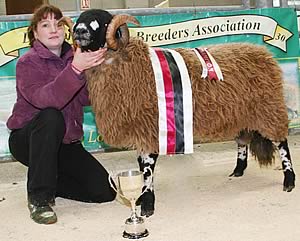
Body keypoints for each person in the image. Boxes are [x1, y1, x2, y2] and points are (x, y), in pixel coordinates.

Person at [6, 4, 116, 225]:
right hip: (28, 140)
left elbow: (87, 99)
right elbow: (46, 100)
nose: (54, 29)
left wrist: (99, 71)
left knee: (105, 191)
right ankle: (39, 198)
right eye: (46, 25)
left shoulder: (76, 57)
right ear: (35, 33)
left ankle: (49, 178)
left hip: (66, 142)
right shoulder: (27, 63)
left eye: (58, 24)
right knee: (50, 115)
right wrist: (75, 69)